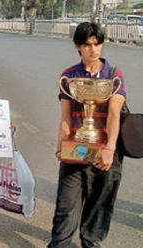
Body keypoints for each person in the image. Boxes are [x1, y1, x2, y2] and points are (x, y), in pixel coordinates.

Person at [48, 22, 126, 248]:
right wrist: (61, 145)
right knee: (66, 206)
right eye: (87, 45)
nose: (93, 49)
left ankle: (90, 243)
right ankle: (60, 244)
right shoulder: (69, 76)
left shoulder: (113, 75)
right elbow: (65, 117)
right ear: (77, 47)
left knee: (99, 206)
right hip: (76, 149)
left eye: (97, 44)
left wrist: (110, 148)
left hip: (105, 151)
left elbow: (114, 115)